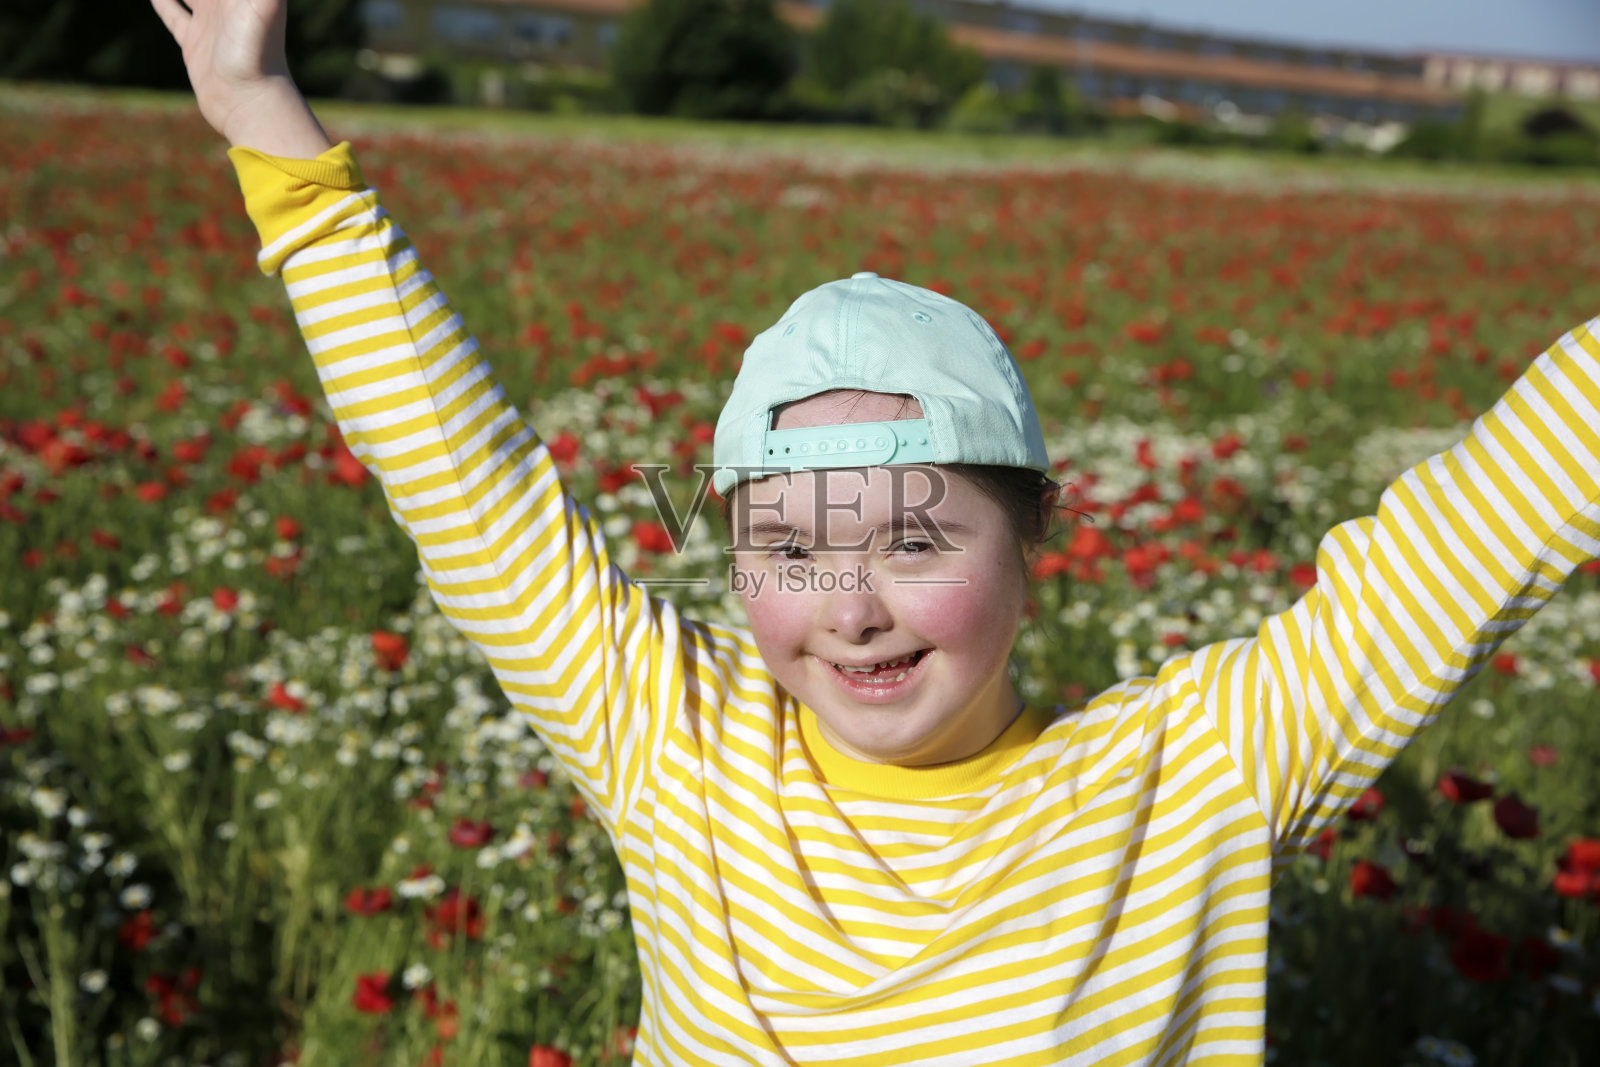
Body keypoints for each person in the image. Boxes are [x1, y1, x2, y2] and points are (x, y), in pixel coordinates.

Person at [151, 1, 1600, 1063]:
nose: (847, 606)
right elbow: (462, 481)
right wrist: (267, 117)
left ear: (1036, 545)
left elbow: (1481, 522)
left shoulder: (1192, 779)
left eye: (914, 542)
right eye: (787, 551)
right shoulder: (677, 742)